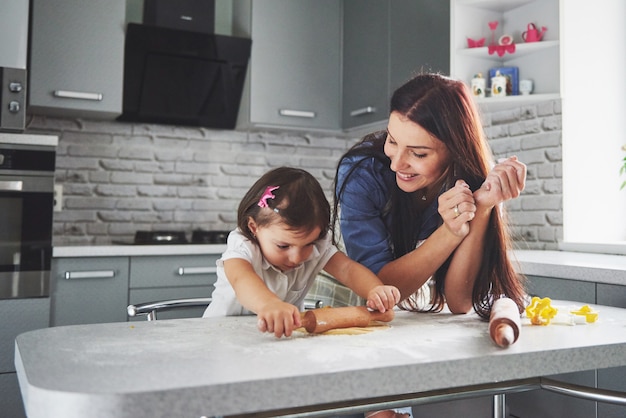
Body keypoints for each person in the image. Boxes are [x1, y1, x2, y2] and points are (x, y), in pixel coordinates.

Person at [333, 73, 528, 320]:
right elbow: (379, 287)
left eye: (419, 154)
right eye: (392, 141)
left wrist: (482, 207)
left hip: (403, 316)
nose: (397, 165)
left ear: (455, 150)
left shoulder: (472, 182)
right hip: (346, 304)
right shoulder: (362, 174)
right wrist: (449, 233)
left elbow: (460, 302)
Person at [203, 166, 401, 338]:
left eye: (308, 244)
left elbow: (347, 269)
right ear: (254, 228)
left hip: (282, 336)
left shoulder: (317, 245)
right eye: (283, 246)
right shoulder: (243, 245)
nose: (297, 257)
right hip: (222, 336)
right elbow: (241, 279)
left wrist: (374, 289)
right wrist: (269, 304)